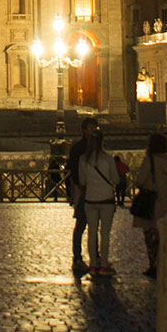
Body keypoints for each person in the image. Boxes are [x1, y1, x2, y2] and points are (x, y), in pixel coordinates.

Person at [78, 128, 119, 275]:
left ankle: (93, 264)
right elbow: (115, 179)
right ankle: (104, 264)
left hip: (90, 199)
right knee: (105, 233)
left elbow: (82, 181)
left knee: (92, 232)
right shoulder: (108, 159)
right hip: (107, 199)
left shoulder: (83, 160)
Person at [133, 133, 167, 277]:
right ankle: (163, 263)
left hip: (150, 204)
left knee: (150, 237)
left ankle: (153, 265)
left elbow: (139, 181)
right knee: (162, 236)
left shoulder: (149, 160)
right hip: (165, 202)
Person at [67, 117, 98, 274]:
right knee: (80, 226)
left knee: (94, 227)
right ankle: (77, 258)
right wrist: (80, 186)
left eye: (95, 128)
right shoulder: (78, 148)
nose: (93, 131)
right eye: (90, 128)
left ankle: (96, 258)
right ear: (84, 130)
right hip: (84, 192)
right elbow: (73, 169)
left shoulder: (98, 148)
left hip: (97, 192)